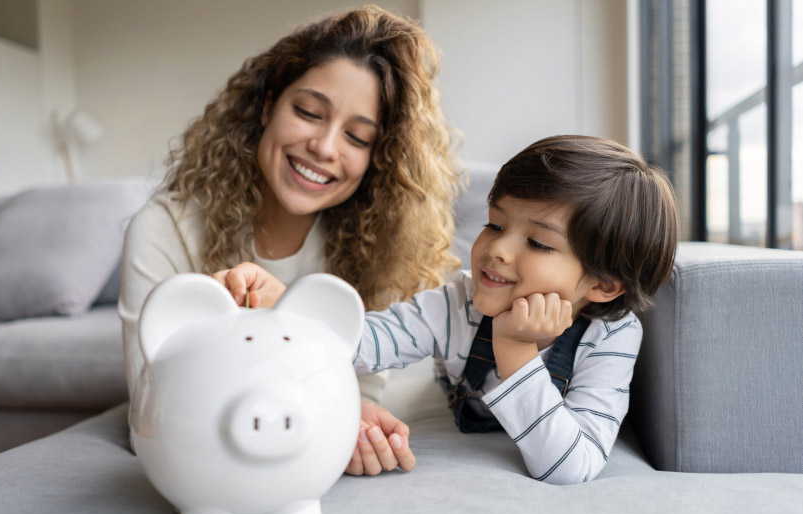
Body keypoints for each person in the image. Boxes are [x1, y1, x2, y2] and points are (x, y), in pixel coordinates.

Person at [215, 135, 680, 484]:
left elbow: (570, 465)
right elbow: (363, 344)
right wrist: (288, 309)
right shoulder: (456, 303)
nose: (496, 249)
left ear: (603, 284)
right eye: (494, 224)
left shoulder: (611, 338)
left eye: (537, 242)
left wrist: (515, 350)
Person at [119, 6, 460, 475]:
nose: (324, 147)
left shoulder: (378, 249)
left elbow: (358, 395)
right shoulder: (163, 229)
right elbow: (150, 420)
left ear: (377, 159)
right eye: (307, 112)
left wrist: (355, 421)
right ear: (268, 105)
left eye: (358, 138)